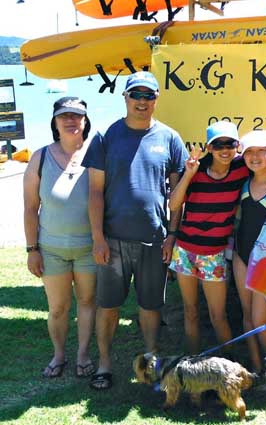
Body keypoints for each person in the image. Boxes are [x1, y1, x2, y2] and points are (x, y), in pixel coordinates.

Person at [83, 71, 188, 390]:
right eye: (136, 95)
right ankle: (104, 364)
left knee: (150, 306)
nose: (142, 101)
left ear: (157, 99)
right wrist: (98, 238)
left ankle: (151, 359)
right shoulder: (106, 136)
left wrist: (172, 235)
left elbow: (177, 195)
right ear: (125, 98)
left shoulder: (170, 138)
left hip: (155, 241)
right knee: (108, 305)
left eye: (148, 95)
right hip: (112, 241)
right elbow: (95, 192)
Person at [23, 96, 96, 378]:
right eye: (64, 116)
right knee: (58, 308)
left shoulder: (96, 154)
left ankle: (82, 355)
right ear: (54, 122)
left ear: (85, 121)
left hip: (89, 247)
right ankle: (59, 354)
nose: (70, 121)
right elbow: (30, 209)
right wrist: (32, 249)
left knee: (88, 302)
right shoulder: (40, 158)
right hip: (51, 249)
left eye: (77, 116)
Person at [167, 121, 246, 356]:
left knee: (217, 315)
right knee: (190, 311)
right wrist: (189, 174)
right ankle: (192, 367)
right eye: (218, 144)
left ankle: (229, 370)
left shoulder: (243, 167)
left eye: (229, 144)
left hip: (214, 253)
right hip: (185, 251)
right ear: (209, 148)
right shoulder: (195, 169)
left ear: (237, 146)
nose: (224, 149)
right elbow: (173, 204)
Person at [231, 130, 266, 390]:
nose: (255, 157)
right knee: (246, 315)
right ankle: (255, 369)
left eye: (261, 151)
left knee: (259, 319)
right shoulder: (243, 183)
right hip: (241, 257)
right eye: (249, 152)